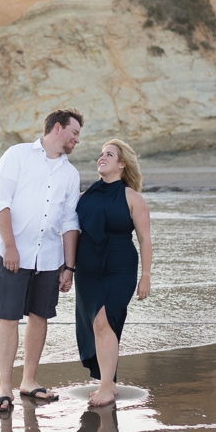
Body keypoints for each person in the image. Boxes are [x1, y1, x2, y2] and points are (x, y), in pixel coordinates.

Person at [0, 108, 83, 411]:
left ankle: (29, 380)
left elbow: (70, 222)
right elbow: (1, 202)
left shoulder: (70, 173)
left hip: (50, 258)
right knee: (8, 316)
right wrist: (11, 247)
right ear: (57, 128)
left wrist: (69, 266)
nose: (77, 139)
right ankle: (4, 387)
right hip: (13, 253)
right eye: (74, 133)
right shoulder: (17, 155)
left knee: (40, 316)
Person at [74, 139, 152, 407]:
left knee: (103, 322)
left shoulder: (133, 198)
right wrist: (66, 267)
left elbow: (144, 239)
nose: (102, 158)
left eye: (109, 154)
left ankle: (106, 387)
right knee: (96, 324)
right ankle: (109, 381)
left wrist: (146, 275)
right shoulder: (84, 198)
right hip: (87, 269)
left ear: (122, 163)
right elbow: (70, 233)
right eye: (100, 154)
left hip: (120, 268)